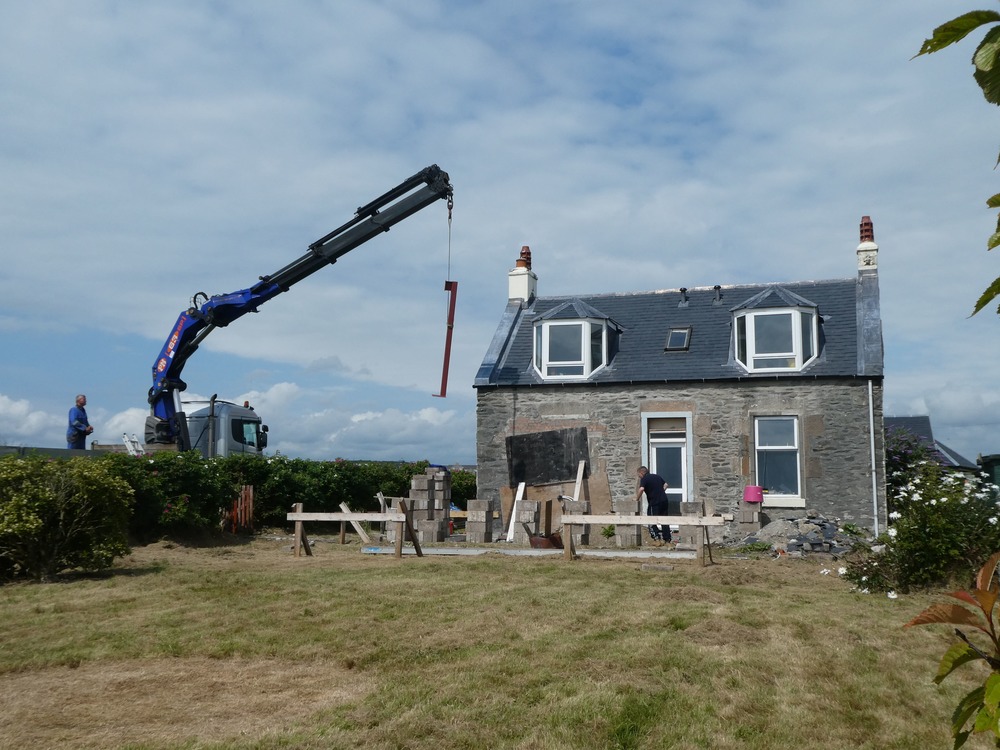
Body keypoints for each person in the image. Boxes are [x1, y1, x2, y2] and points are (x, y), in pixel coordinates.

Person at [636, 466, 671, 546]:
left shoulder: (644, 479)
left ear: (642, 473)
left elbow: (641, 489)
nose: (639, 477)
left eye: (639, 475)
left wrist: (637, 499)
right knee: (665, 520)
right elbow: (666, 485)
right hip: (664, 500)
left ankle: (657, 538)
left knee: (651, 519)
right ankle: (667, 539)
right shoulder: (657, 476)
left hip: (654, 502)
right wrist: (661, 492)